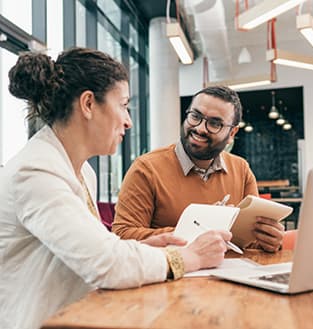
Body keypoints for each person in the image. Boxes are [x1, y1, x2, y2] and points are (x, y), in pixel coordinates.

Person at [0, 48, 231, 329]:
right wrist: (189, 256)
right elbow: (106, 265)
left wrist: (138, 247)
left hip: (79, 315)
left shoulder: (82, 170)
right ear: (88, 104)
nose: (128, 121)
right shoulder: (35, 171)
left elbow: (87, 251)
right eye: (123, 105)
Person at [112, 86, 284, 252]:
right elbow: (123, 235)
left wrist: (268, 240)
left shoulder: (241, 169)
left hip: (231, 276)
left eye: (215, 123)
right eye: (195, 116)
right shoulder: (146, 168)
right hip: (174, 278)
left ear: (232, 134)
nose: (200, 128)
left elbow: (248, 243)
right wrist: (197, 230)